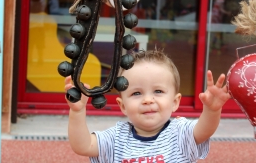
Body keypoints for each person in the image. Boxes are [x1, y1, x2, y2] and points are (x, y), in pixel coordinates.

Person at [65, 49, 230, 162]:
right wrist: (77, 111)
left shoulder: (180, 133)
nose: (148, 100)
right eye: (136, 93)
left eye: (158, 91)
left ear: (175, 102)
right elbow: (83, 146)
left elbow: (204, 130)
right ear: (122, 106)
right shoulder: (116, 138)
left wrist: (212, 110)